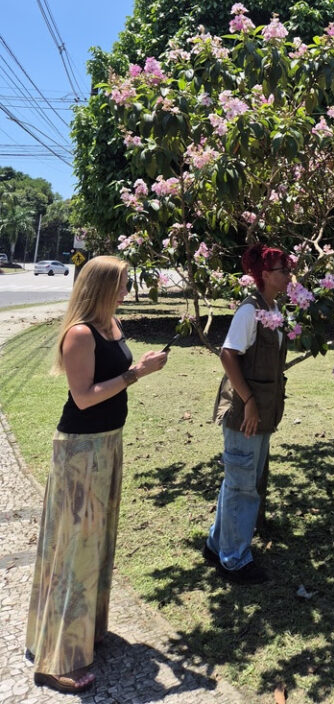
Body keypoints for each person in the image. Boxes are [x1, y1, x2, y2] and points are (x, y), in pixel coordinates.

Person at [26, 256, 167, 694]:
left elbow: (115, 381)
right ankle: (55, 660)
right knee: (74, 550)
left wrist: (135, 370)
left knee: (97, 542)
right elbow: (84, 398)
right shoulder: (80, 333)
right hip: (80, 450)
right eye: (121, 284)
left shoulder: (112, 324)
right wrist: (136, 373)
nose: (126, 291)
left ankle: (84, 632)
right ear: (101, 287)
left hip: (109, 442)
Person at [205, 244, 292, 583]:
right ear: (266, 276)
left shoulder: (273, 307)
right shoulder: (250, 310)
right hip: (246, 414)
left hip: (262, 412)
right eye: (283, 270)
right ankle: (235, 560)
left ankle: (216, 545)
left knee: (239, 482)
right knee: (243, 487)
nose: (288, 275)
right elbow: (228, 355)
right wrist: (250, 400)